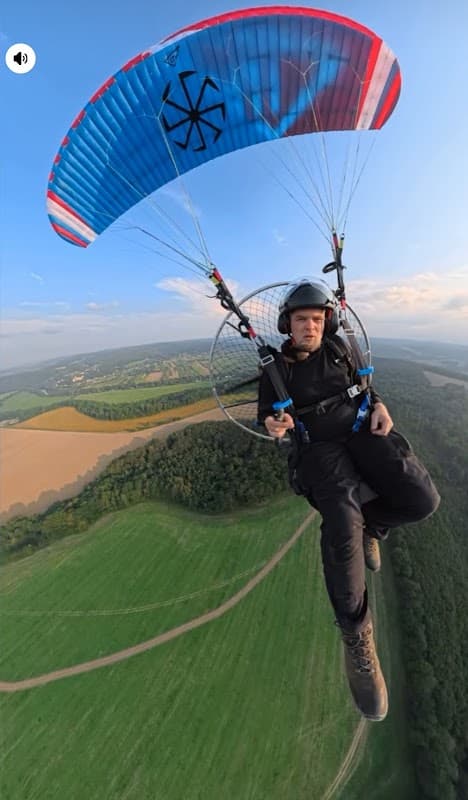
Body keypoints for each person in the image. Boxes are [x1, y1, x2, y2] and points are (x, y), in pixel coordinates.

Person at [257, 279, 440, 722]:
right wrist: (275, 426)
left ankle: (373, 529)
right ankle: (357, 637)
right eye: (302, 320)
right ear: (288, 325)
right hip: (320, 450)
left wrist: (380, 405)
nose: (311, 327)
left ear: (328, 322)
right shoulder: (276, 369)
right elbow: (270, 419)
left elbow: (366, 388)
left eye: (318, 319)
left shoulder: (341, 349)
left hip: (360, 431)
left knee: (421, 498)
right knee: (341, 518)